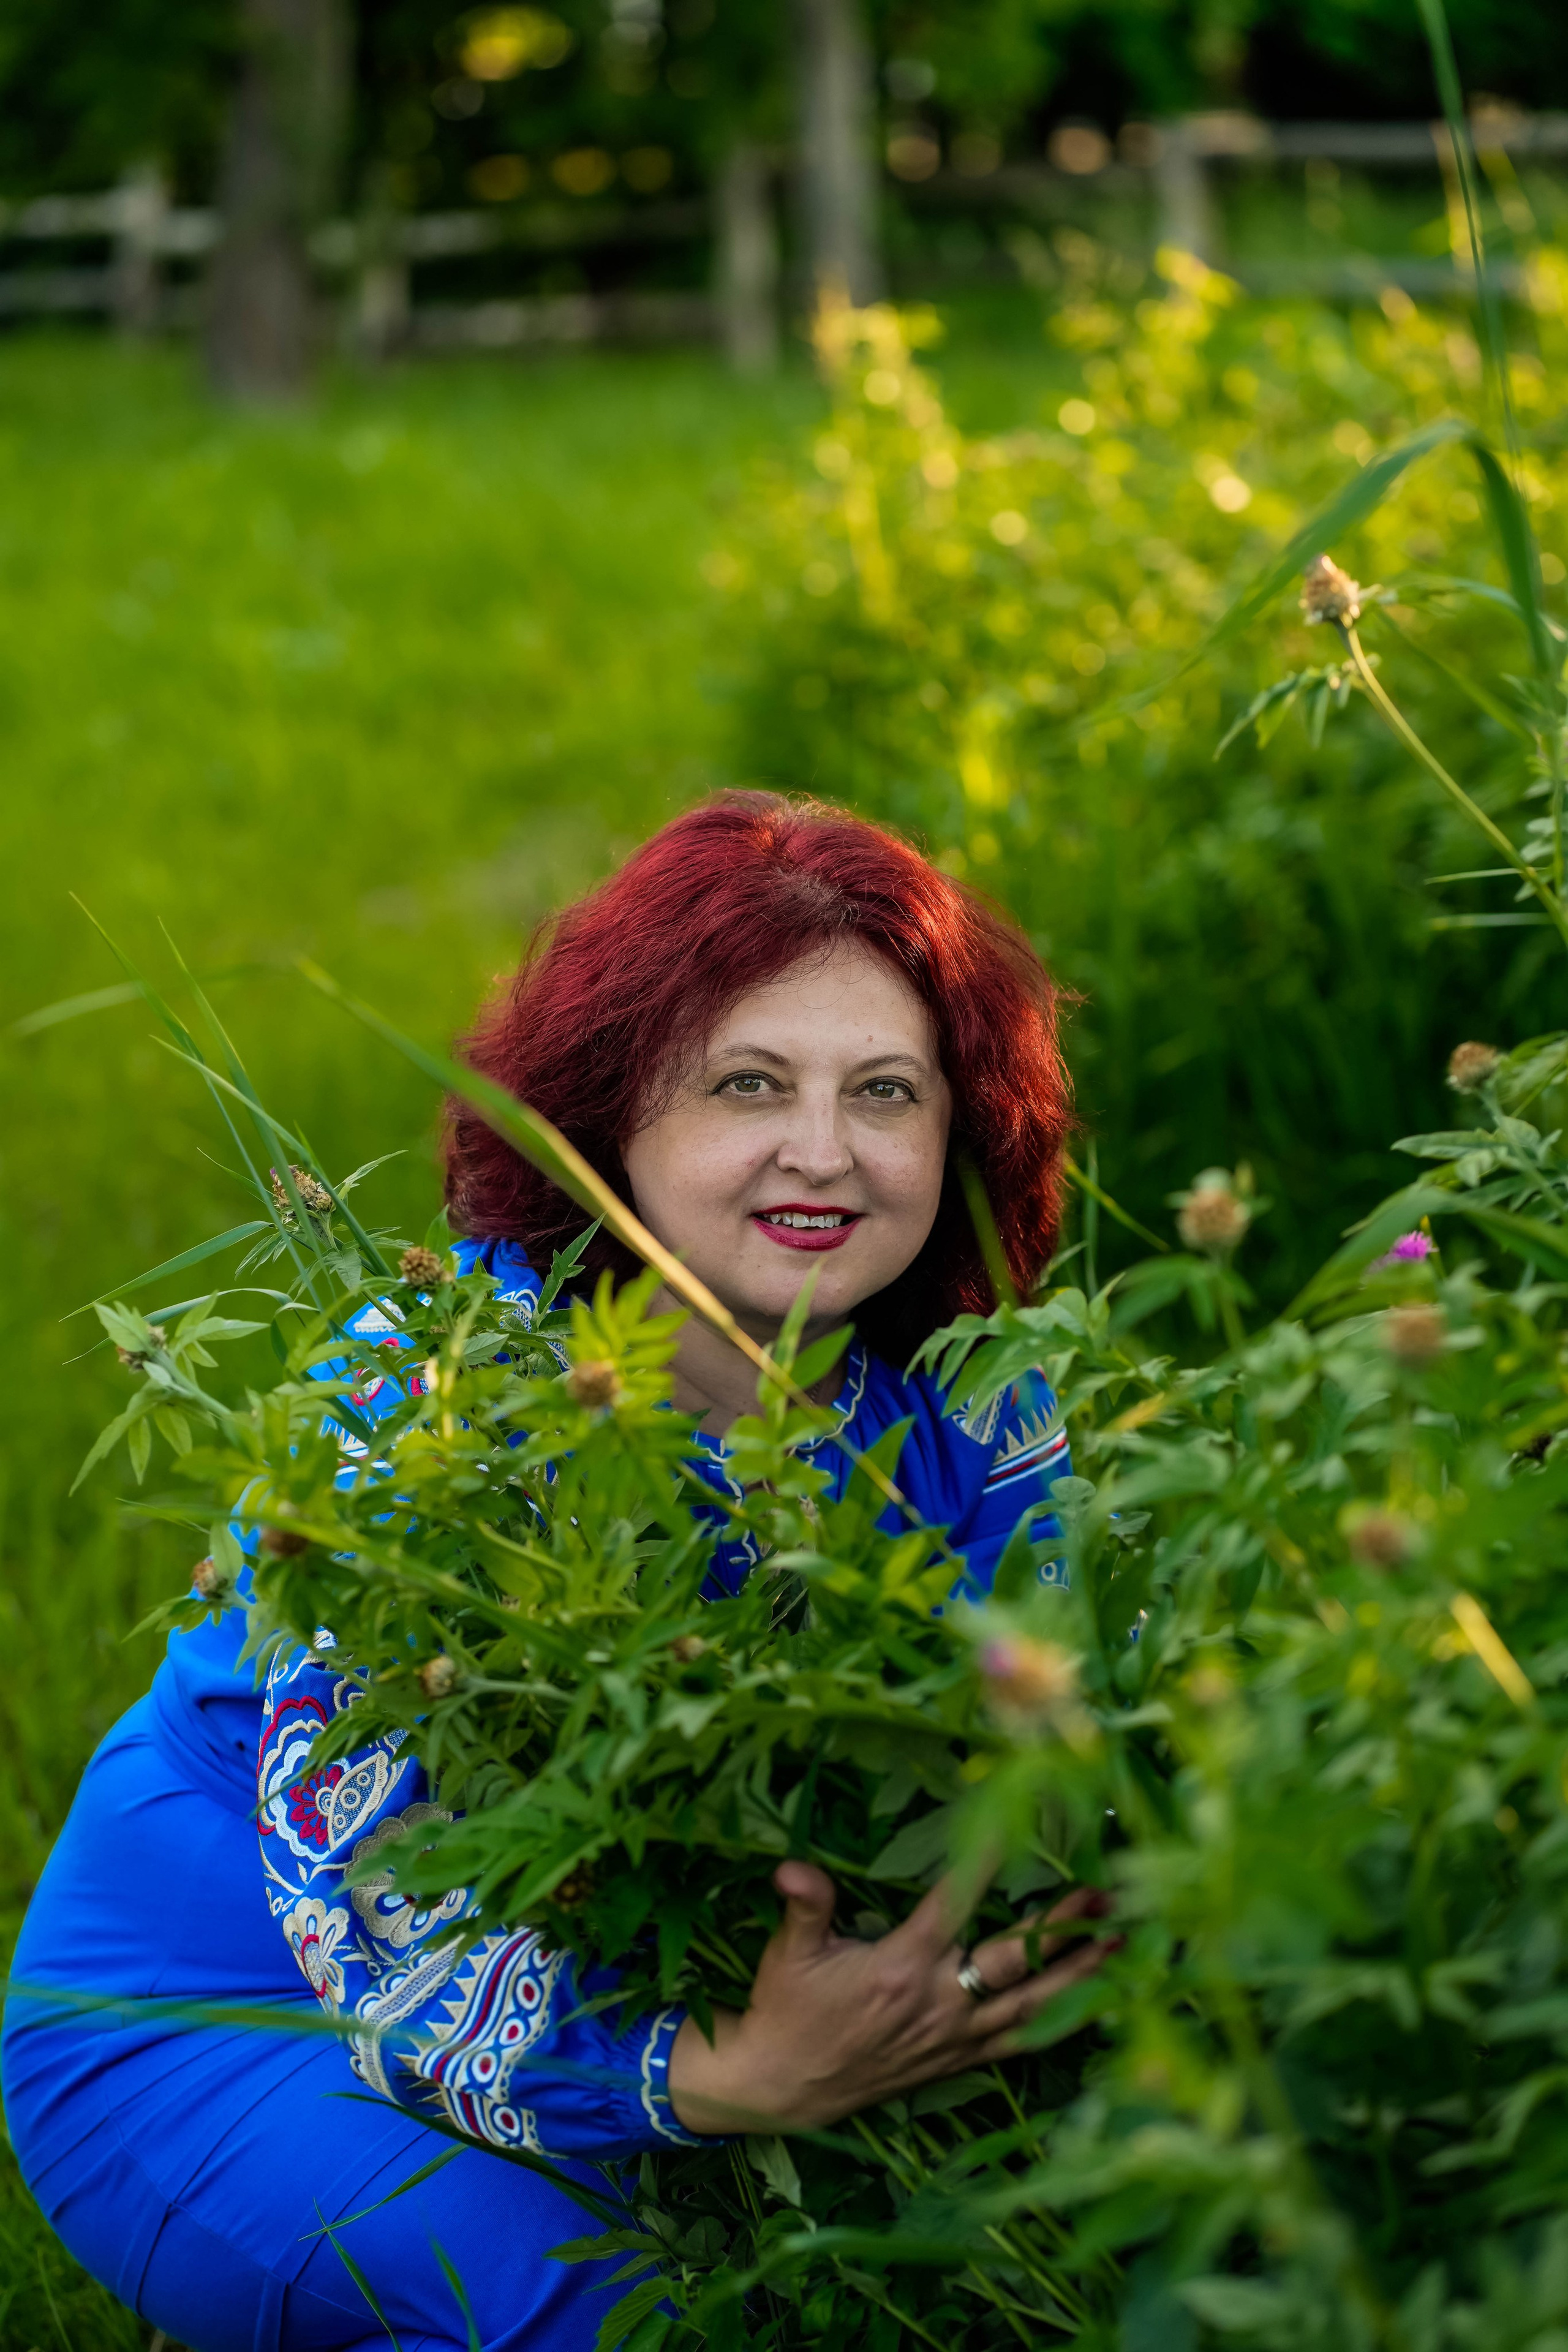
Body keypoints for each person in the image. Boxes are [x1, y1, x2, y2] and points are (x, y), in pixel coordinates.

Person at [4, 793, 1101, 2352]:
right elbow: (364, 1900)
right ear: (606, 1119)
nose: (823, 1152)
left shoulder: (967, 1379)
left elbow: (1055, 1733)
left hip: (692, 1962)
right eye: (746, 1084)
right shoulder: (427, 1411)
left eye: (885, 1092)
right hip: (237, 2009)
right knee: (639, 2319)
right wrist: (713, 2080)